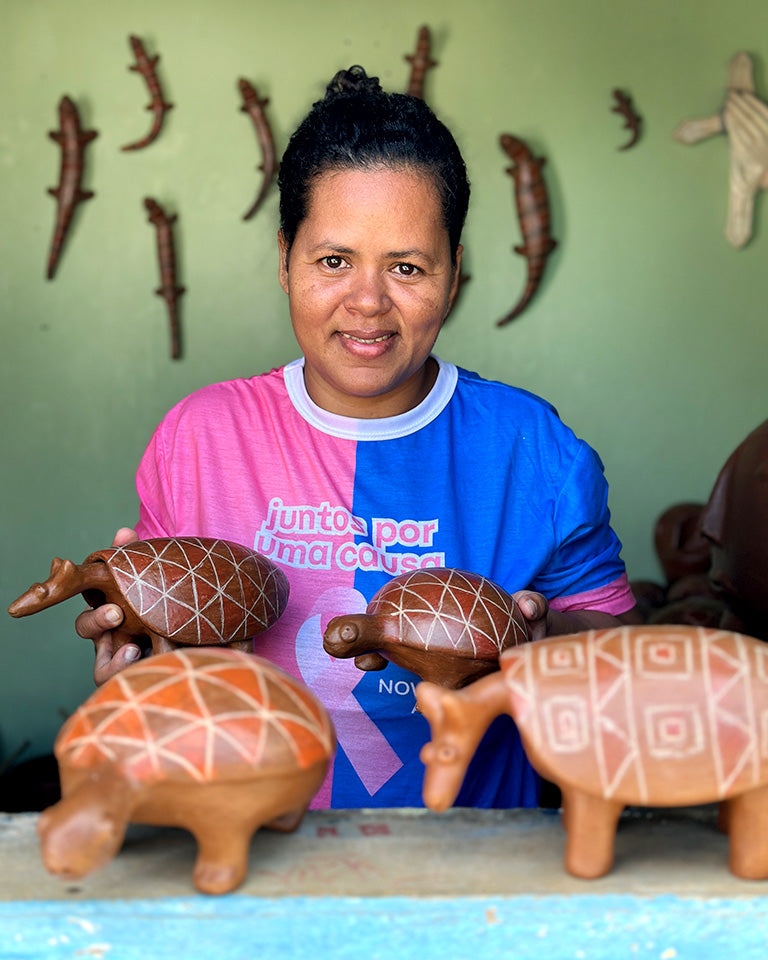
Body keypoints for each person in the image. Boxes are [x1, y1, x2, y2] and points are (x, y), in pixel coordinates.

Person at [76, 66, 636, 809]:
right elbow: (160, 660)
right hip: (244, 848)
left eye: (406, 267)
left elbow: (624, 654)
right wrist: (133, 643)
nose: (367, 303)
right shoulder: (200, 436)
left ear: (455, 273)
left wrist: (537, 638)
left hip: (478, 870)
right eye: (332, 261)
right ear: (284, 260)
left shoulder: (532, 448)